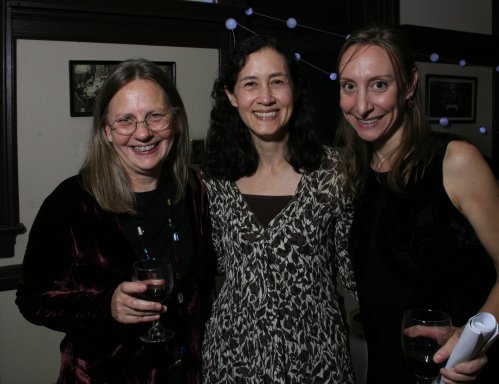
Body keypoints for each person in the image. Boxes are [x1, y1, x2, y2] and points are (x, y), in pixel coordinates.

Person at [336, 24, 499, 384]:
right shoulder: (356, 171)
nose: (361, 106)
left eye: (380, 84)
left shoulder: (455, 161)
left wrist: (474, 338)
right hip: (386, 372)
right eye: (349, 86)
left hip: (452, 373)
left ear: (409, 84)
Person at [16, 58, 216, 383]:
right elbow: (31, 299)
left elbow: (204, 292)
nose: (143, 132)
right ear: (107, 132)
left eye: (155, 115)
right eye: (125, 120)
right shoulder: (70, 202)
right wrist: (105, 304)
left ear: (176, 121)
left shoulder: (196, 192)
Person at [200, 34, 356, 383]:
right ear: (231, 95)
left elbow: (356, 273)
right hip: (233, 358)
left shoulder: (337, 173)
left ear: (295, 90)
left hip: (317, 359)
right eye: (250, 84)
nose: (266, 97)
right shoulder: (214, 180)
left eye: (278, 82)